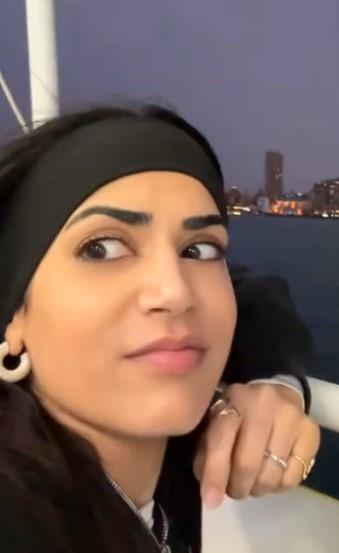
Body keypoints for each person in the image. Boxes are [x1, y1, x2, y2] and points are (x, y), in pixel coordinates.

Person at [0, 105, 321, 553]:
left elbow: (257, 295)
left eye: (199, 249)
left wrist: (278, 384)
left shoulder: (157, 472)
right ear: (14, 313)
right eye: (102, 248)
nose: (175, 292)